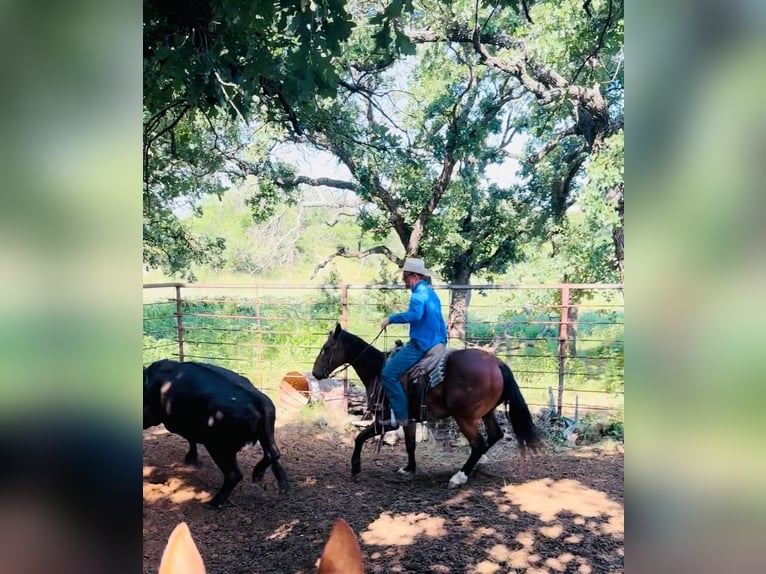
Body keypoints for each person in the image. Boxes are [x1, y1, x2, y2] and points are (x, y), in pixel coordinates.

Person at [380, 258, 448, 426]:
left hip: (422, 343)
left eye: (405, 277)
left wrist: (391, 319)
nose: (404, 281)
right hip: (438, 342)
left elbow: (415, 315)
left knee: (388, 374)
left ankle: (400, 417)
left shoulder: (418, 295)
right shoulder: (431, 293)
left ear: (414, 276)